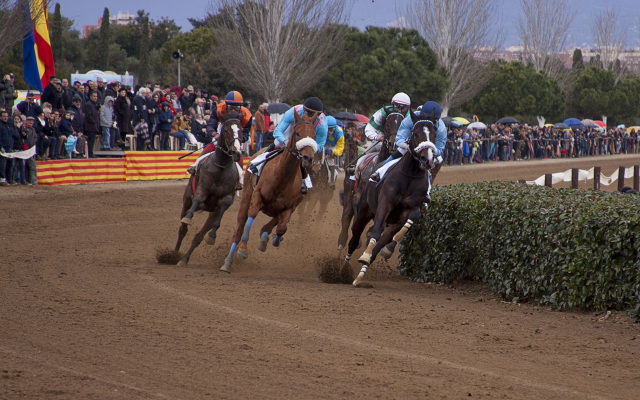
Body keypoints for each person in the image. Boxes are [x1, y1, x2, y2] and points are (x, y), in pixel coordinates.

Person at [370, 101, 447, 204]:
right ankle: (379, 171)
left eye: (434, 120)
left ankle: (427, 192)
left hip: (429, 148)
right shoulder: (410, 119)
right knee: (399, 152)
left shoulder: (441, 129)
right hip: (411, 144)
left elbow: (440, 148)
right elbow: (399, 138)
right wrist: (406, 146)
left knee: (434, 163)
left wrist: (430, 150)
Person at [248, 97, 327, 194]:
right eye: (308, 113)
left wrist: (307, 147)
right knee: (277, 143)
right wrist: (285, 141)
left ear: (319, 115)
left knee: (306, 156)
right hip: (293, 131)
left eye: (314, 115)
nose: (310, 117)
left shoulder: (322, 125)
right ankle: (258, 165)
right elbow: (277, 132)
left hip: (309, 137)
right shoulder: (294, 111)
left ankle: (304, 181)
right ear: (303, 110)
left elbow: (319, 146)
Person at [323, 116, 345, 188]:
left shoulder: (339, 134)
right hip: (322, 142)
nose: (329, 132)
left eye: (331, 130)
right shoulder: (320, 128)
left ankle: (331, 180)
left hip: (332, 145)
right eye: (327, 129)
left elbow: (340, 150)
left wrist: (332, 152)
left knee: (330, 160)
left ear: (335, 128)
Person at [83, 91, 100, 158]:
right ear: (90, 97)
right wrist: (94, 122)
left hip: (94, 126)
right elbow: (88, 116)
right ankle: (90, 154)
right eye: (94, 96)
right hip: (90, 126)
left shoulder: (94, 105)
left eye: (96, 96)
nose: (95, 98)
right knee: (90, 141)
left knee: (92, 141)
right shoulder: (88, 104)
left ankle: (91, 153)